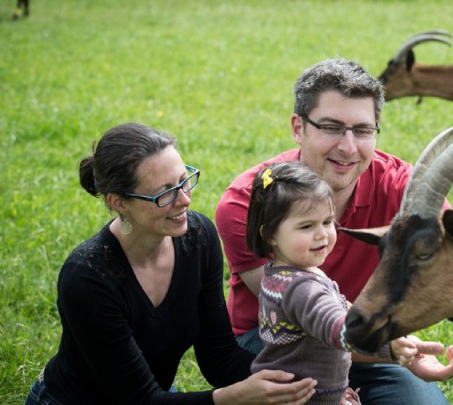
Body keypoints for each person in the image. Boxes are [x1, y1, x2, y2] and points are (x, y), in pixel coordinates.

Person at [216, 59, 453, 405]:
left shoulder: (405, 190)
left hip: (373, 343)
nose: (348, 148)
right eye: (331, 127)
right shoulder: (247, 202)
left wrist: (401, 345)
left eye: (363, 130)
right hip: (278, 345)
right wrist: (391, 347)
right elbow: (301, 309)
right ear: (298, 128)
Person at [25, 122, 317, 405]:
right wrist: (234, 398)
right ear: (118, 202)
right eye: (165, 193)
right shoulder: (88, 277)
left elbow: (219, 357)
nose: (185, 200)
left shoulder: (199, 237)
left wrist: (311, 386)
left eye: (183, 181)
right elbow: (139, 399)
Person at [246, 161, 418, 405]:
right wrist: (384, 346)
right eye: (306, 226)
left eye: (327, 222)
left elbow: (335, 309)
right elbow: (334, 326)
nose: (322, 234)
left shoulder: (285, 273)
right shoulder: (299, 288)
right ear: (270, 235)